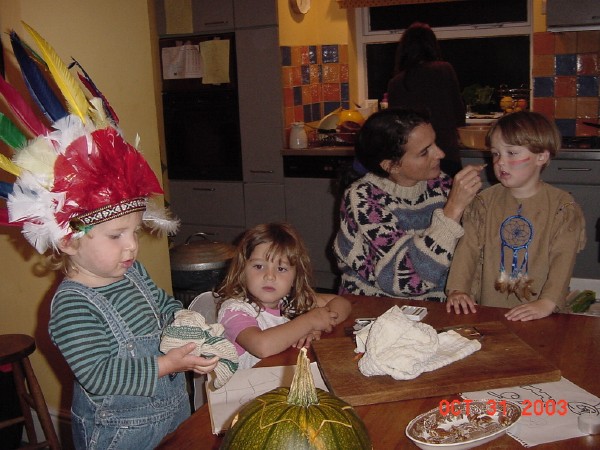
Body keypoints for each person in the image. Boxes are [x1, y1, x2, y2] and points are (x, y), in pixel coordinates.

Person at [0, 25, 218, 449]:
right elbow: (100, 374)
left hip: (171, 413)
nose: (132, 246)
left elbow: (162, 305)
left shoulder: (131, 272)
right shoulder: (71, 305)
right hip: (120, 433)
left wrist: (186, 321)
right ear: (68, 240)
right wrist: (169, 362)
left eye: (135, 232)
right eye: (117, 235)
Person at [445, 111, 586, 321]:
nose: (501, 162)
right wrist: (458, 290)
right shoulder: (483, 202)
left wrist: (548, 302)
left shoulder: (562, 207)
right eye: (495, 153)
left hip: (541, 313)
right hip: (489, 309)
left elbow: (562, 259)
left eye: (512, 153)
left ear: (542, 156)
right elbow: (468, 250)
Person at [333, 108, 484, 301]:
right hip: (374, 308)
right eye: (424, 152)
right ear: (391, 165)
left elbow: (472, 246)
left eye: (434, 143)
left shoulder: (442, 184)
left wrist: (459, 289)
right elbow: (408, 279)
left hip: (438, 307)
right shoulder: (363, 198)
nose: (440, 153)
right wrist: (452, 210)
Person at [216, 222, 351, 369]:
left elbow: (341, 302)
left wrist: (321, 323)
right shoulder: (234, 311)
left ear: (295, 277)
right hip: (243, 389)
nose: (270, 276)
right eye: (259, 266)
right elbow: (262, 346)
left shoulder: (290, 301)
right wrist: (309, 322)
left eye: (281, 268)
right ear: (242, 271)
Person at [387, 22, 466, 177]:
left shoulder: (396, 82)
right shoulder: (444, 69)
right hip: (445, 152)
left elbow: (395, 127)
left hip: (413, 160)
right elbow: (459, 115)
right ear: (432, 45)